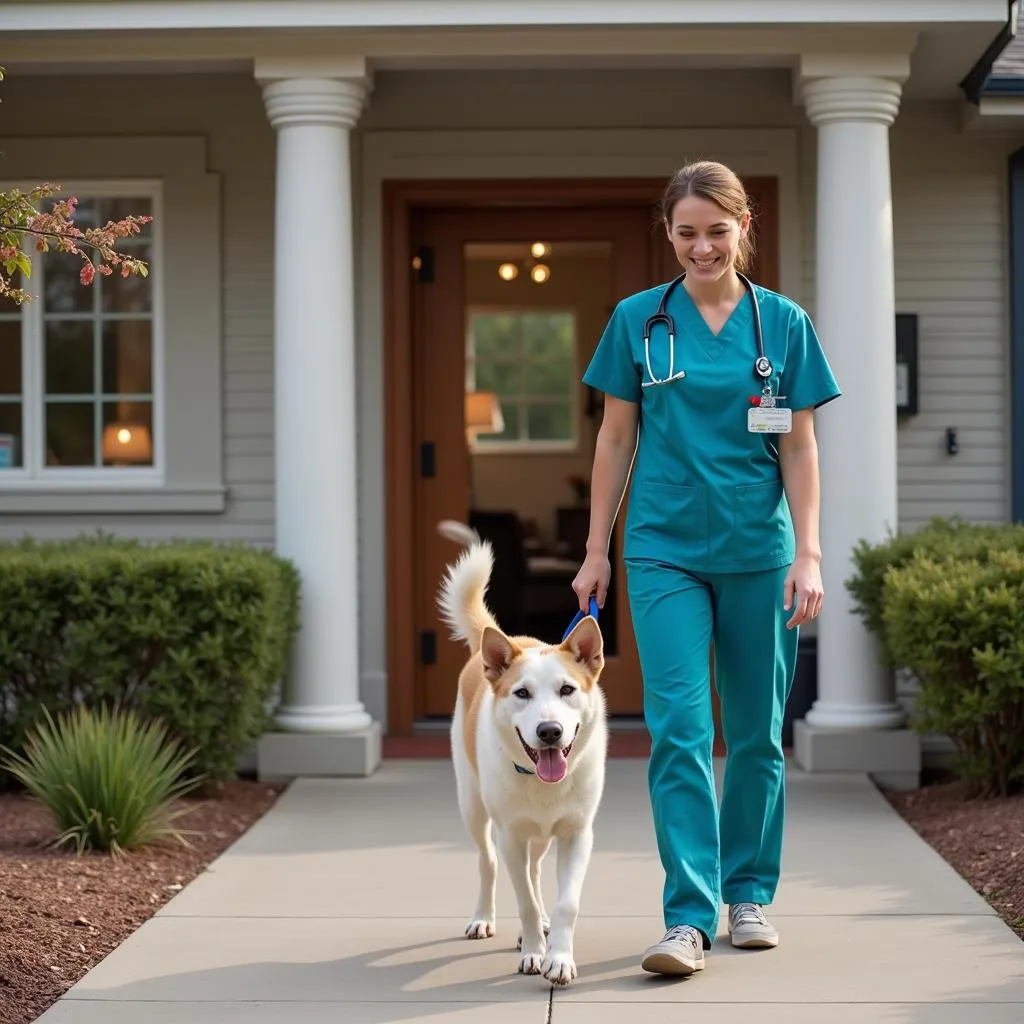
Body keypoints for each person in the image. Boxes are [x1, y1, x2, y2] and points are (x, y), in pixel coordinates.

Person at [572, 160, 840, 977]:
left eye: (715, 231)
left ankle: (748, 893)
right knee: (681, 731)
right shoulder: (637, 321)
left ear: (744, 226)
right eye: (685, 232)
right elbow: (616, 438)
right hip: (662, 550)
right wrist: (595, 551)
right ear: (669, 233)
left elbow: (798, 445)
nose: (701, 247)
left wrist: (810, 549)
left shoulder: (782, 324)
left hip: (760, 553)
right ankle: (686, 919)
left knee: (756, 734)